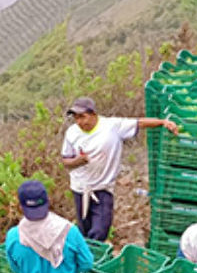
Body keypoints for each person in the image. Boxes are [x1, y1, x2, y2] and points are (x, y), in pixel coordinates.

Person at [61, 96, 179, 241]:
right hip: (80, 187)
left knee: (99, 231)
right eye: (76, 118)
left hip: (103, 187)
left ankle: (94, 258)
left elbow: (139, 123)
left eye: (83, 117)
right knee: (84, 230)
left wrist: (163, 122)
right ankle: (88, 259)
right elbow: (66, 162)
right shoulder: (72, 133)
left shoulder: (111, 126)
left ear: (93, 114)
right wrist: (78, 161)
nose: (79, 122)